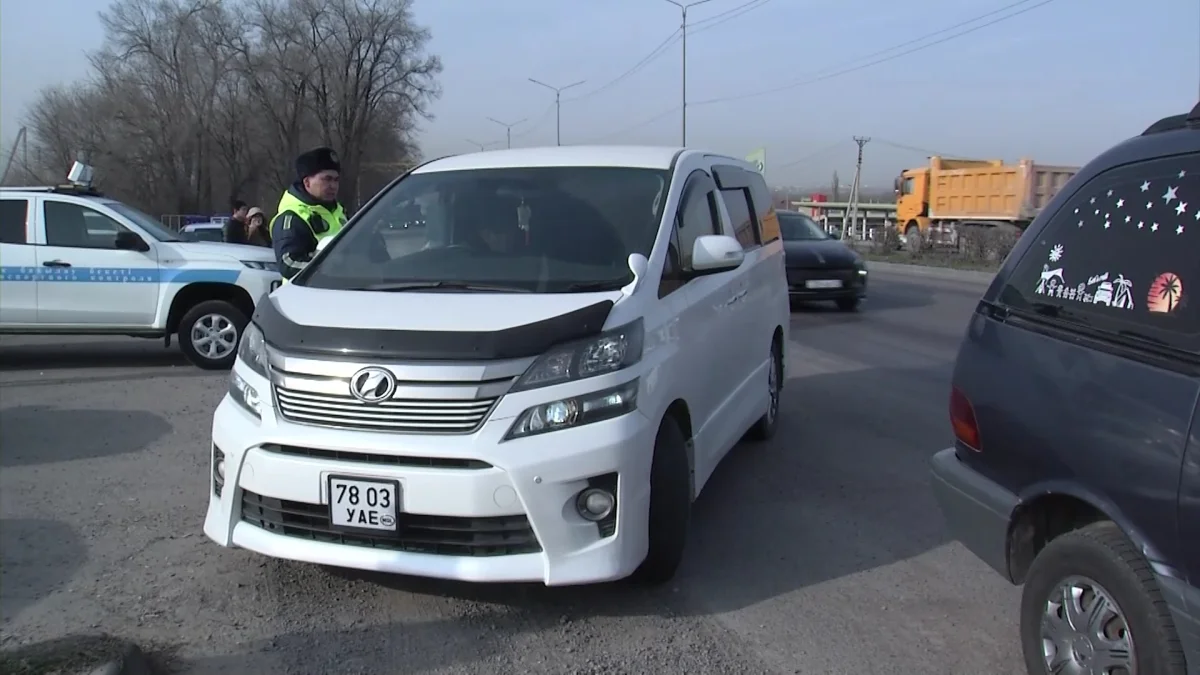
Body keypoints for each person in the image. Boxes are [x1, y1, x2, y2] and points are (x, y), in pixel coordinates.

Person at [270, 147, 347, 281]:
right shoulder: (291, 217)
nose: (333, 186)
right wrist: (333, 267)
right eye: (327, 179)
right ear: (307, 182)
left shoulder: (339, 212)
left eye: (336, 180)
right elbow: (288, 264)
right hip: (307, 292)